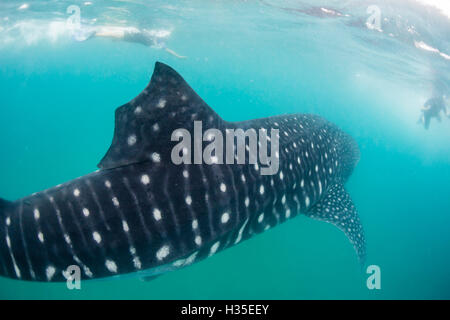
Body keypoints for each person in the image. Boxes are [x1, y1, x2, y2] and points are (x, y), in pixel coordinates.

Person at [73, 25, 187, 59]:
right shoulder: (157, 42)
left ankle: (90, 31)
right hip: (129, 36)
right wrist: (178, 56)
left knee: (111, 33)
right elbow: (168, 51)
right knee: (107, 34)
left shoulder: (154, 38)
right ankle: (92, 33)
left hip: (130, 34)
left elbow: (168, 50)